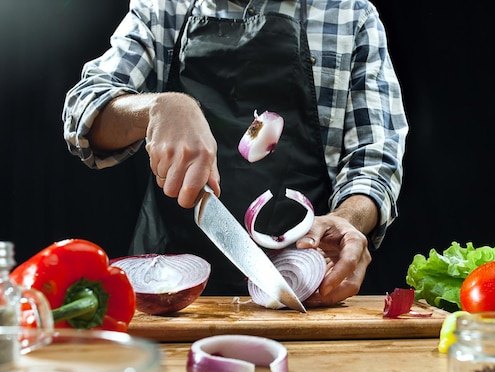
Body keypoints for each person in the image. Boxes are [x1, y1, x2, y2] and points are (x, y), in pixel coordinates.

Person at [62, 0, 408, 307]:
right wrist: (157, 108)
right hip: (169, 298)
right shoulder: (164, 8)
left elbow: (375, 160)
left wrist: (347, 219)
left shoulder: (349, 14)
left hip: (304, 282)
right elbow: (84, 112)